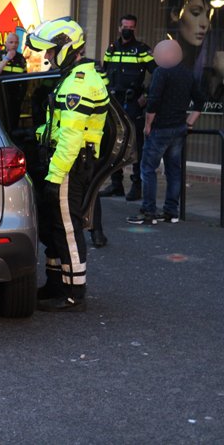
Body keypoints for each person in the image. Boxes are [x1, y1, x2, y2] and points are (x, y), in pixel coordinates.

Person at [26, 17, 109, 312]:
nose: (47, 56)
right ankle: (54, 282)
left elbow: (72, 139)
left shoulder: (78, 84)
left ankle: (73, 291)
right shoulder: (72, 78)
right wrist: (35, 134)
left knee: (67, 228)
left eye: (50, 51)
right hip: (65, 162)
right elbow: (60, 127)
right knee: (54, 226)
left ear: (66, 47)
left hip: (69, 166)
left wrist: (54, 176)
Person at [127, 39, 205, 225]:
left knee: (148, 169)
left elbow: (153, 102)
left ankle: (149, 212)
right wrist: (189, 123)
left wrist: (148, 124)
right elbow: (200, 101)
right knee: (173, 170)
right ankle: (171, 211)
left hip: (160, 128)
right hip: (179, 128)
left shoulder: (161, 73)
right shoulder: (188, 74)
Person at [99, 15, 156, 201]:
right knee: (114, 143)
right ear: (119, 27)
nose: (127, 30)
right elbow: (103, 73)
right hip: (114, 102)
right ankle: (116, 185)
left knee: (135, 145)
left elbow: (157, 74)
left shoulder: (142, 50)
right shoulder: (111, 49)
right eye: (125, 26)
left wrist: (146, 96)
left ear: (135, 29)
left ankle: (137, 186)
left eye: (131, 28)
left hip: (133, 104)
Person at [168, 0, 224, 105]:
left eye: (208, 15)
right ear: (175, 14)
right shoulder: (167, 61)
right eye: (196, 13)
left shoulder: (211, 57)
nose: (204, 24)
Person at [0, 32, 27, 127]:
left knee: (13, 126)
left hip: (14, 99)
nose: (14, 45)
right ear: (5, 43)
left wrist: (21, 97)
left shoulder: (21, 59)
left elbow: (25, 81)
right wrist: (6, 59)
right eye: (11, 42)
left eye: (16, 42)